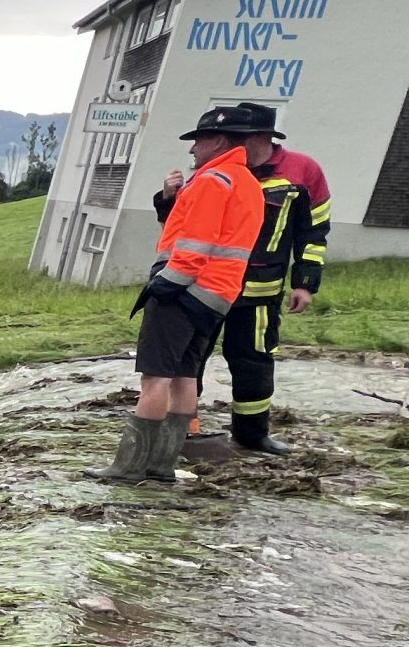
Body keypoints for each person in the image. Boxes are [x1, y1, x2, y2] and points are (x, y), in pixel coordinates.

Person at [98, 105, 264, 484]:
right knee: (185, 376)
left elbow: (195, 244)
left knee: (155, 378)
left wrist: (166, 284)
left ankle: (127, 467)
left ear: (219, 140)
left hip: (185, 291)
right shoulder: (246, 183)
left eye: (199, 141)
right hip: (218, 295)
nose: (192, 150)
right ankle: (161, 466)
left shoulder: (212, 181)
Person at [156, 102, 330, 454]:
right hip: (205, 289)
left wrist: (305, 282)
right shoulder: (217, 171)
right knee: (190, 360)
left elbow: (314, 232)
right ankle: (185, 432)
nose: (231, 145)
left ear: (261, 138)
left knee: (253, 360)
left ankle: (252, 434)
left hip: (258, 292)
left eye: (240, 138)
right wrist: (166, 199)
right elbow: (187, 224)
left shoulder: (302, 171)